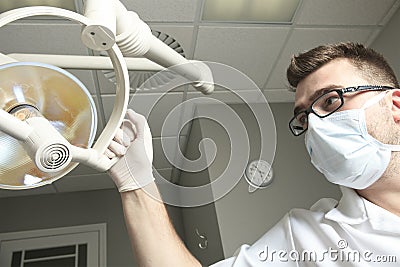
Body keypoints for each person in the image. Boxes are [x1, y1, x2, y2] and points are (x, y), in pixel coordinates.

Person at [106, 42, 400, 266]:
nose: (316, 127)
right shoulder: (306, 236)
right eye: (304, 120)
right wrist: (136, 184)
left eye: (330, 100)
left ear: (394, 106)